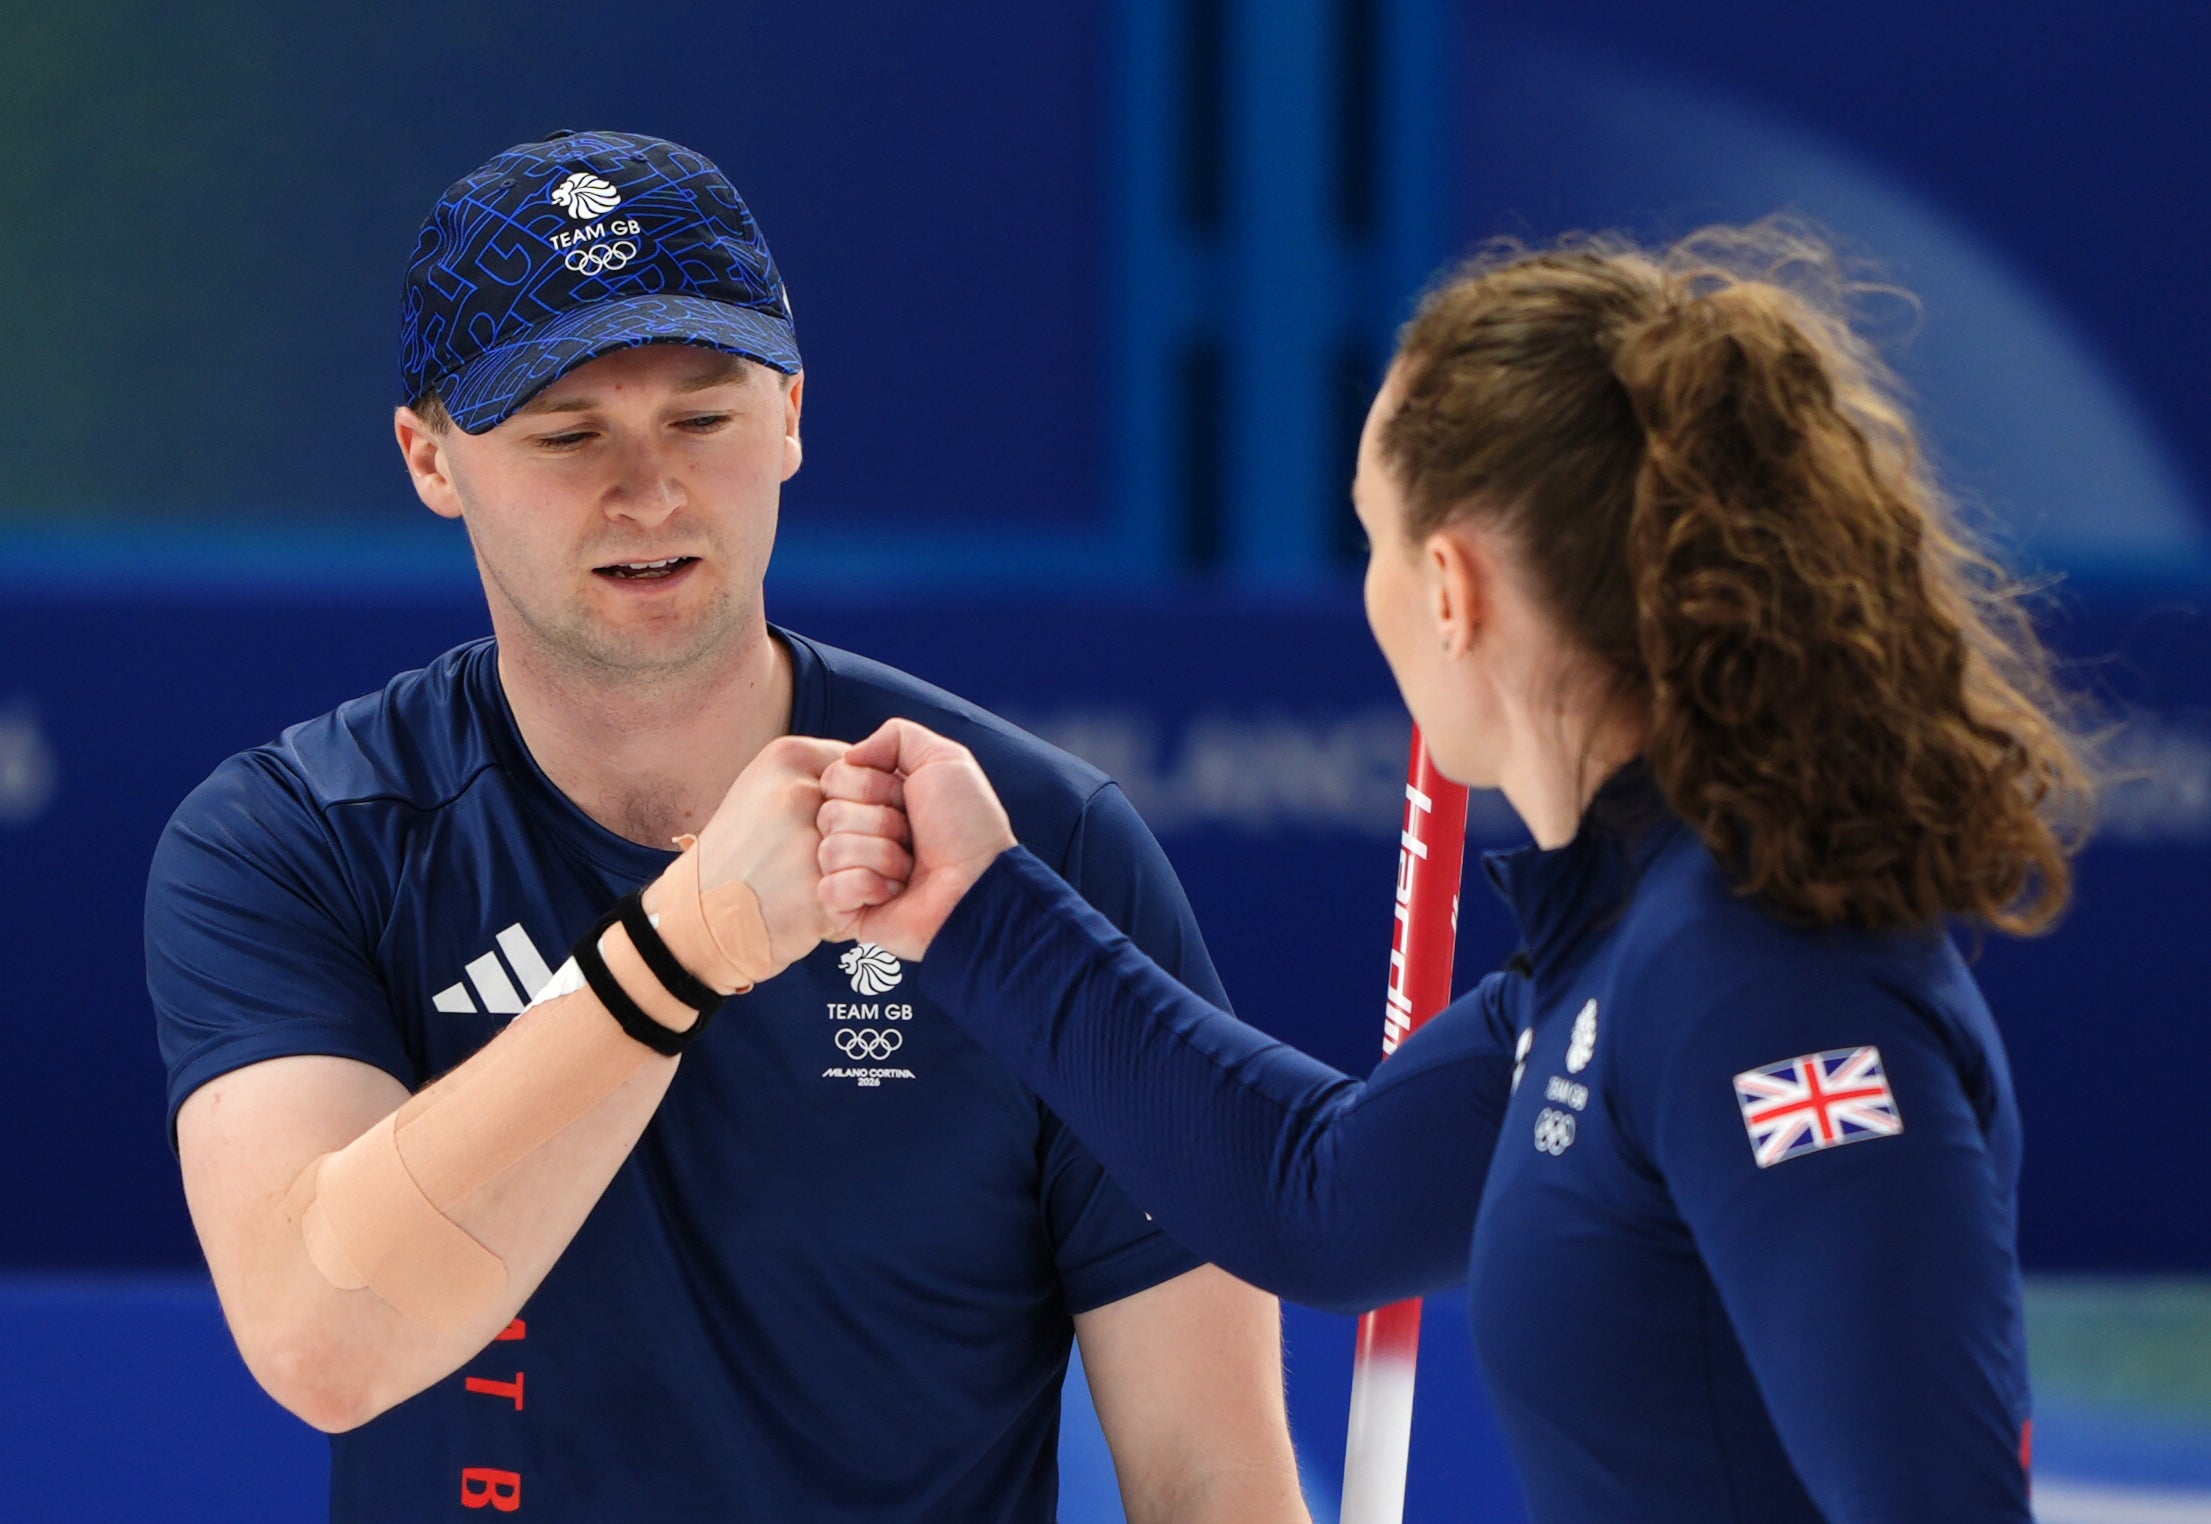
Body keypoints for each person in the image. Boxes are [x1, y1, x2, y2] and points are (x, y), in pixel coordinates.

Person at [810, 224, 2095, 1522]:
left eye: (1368, 537)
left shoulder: (1758, 983)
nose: (1367, 589)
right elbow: (1316, 1199)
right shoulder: (1625, 953)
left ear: (1450, 586)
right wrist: (978, 909)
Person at [146, 129, 1307, 1523]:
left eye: (704, 419)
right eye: (569, 435)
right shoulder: (296, 840)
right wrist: (687, 944)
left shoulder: (1037, 844)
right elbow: (327, 1341)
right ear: (430, 457)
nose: (650, 492)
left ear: (794, 416)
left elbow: (1211, 1478)